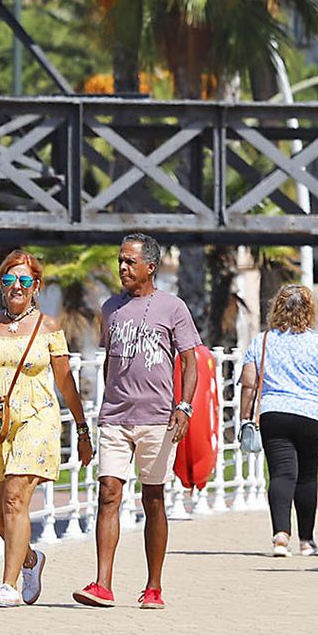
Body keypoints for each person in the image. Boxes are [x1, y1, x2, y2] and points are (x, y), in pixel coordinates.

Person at [0, 249, 94, 607]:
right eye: (9, 279)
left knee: (16, 499)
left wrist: (81, 429)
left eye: (24, 280)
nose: (16, 286)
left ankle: (8, 585)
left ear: (36, 287)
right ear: (1, 284)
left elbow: (65, 383)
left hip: (36, 419)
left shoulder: (48, 328)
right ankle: (31, 560)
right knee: (1, 513)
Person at [74, 233, 200, 610]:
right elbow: (110, 360)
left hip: (157, 417)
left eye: (130, 261)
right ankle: (102, 584)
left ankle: (154, 587)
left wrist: (185, 407)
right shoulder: (110, 307)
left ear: (150, 267)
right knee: (108, 493)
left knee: (153, 498)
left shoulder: (173, 308)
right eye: (120, 260)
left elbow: (190, 360)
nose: (123, 268)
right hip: (115, 415)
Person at [239, 284, 318, 558]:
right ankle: (307, 540)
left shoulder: (263, 340)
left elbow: (249, 383)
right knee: (306, 477)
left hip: (274, 412)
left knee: (281, 473)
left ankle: (281, 535)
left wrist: (246, 415)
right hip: (312, 415)